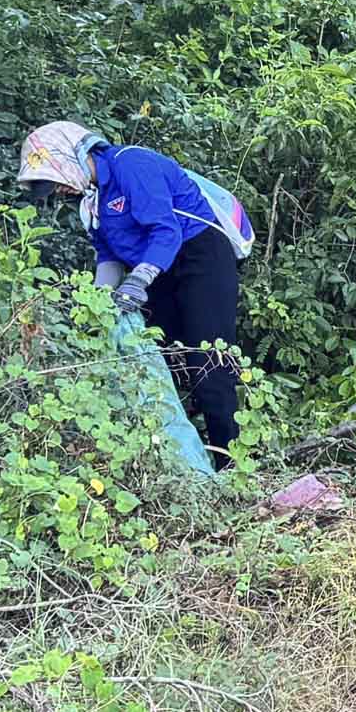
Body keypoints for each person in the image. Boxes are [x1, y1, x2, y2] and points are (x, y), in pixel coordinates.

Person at [18, 121, 250, 465]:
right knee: (163, 359)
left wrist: (138, 281)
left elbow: (165, 230)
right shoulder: (92, 202)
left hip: (198, 255)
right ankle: (183, 462)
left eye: (55, 181)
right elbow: (108, 256)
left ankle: (232, 465)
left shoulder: (132, 165)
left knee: (208, 361)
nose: (58, 191)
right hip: (157, 270)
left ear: (69, 155)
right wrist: (98, 305)